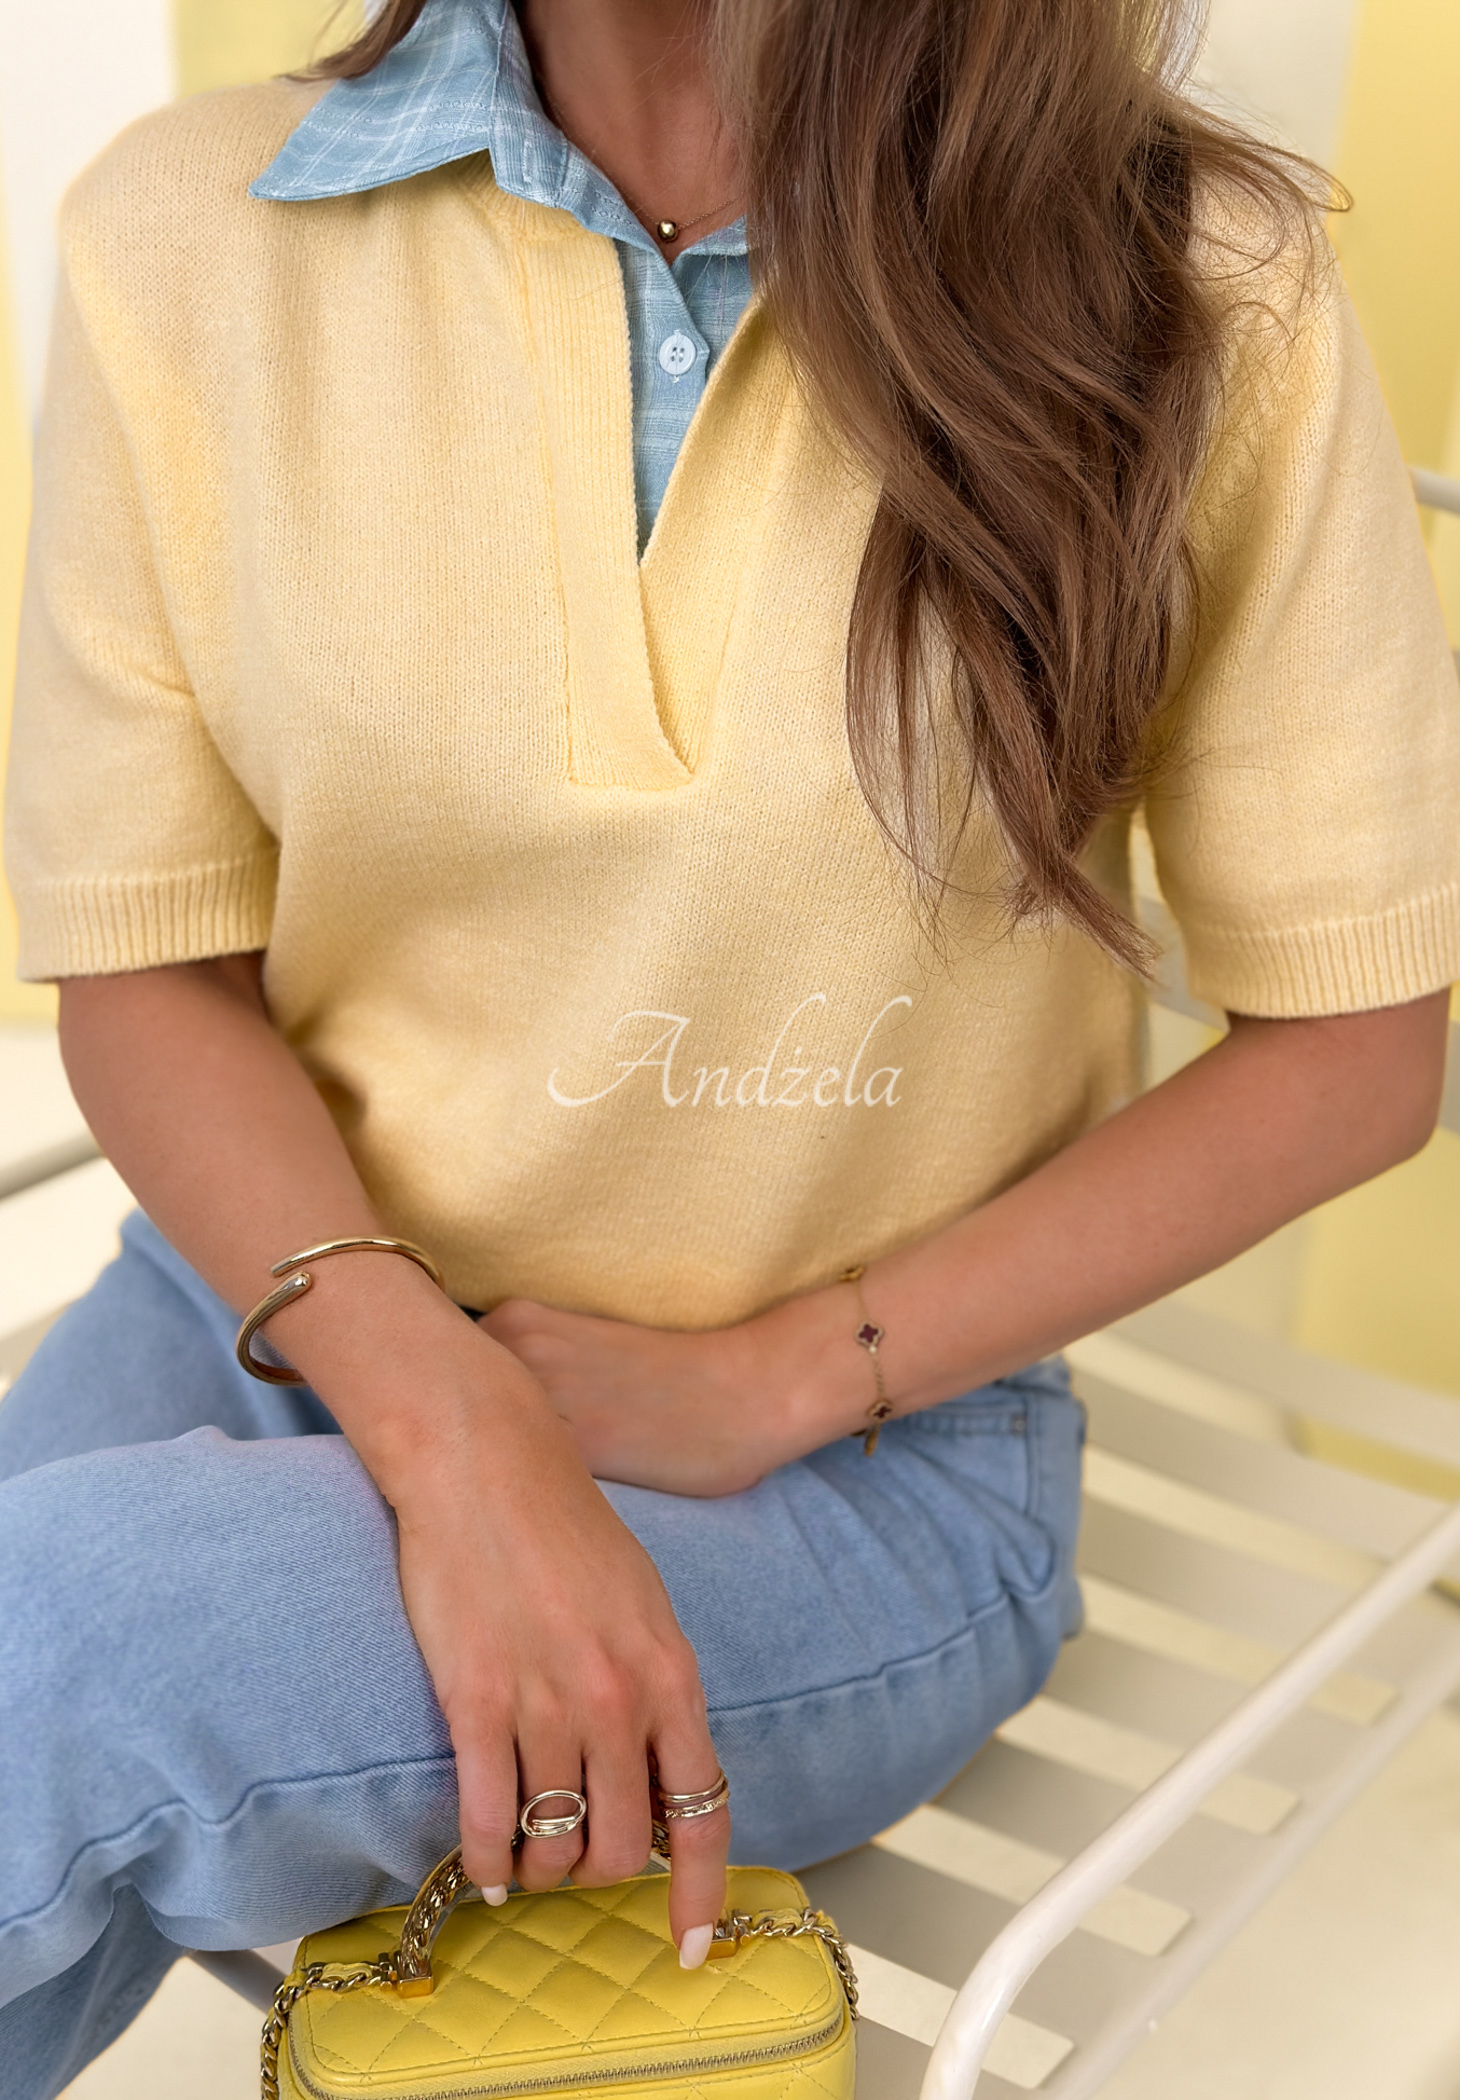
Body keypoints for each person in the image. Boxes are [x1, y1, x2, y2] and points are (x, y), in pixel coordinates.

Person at [2, 0, 1457, 2089]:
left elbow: (1355, 1048)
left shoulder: (1190, 279)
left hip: (848, 1469)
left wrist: (781, 1372)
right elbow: (153, 966)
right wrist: (447, 1418)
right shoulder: (182, 231)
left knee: (63, 1639)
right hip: (277, 1294)